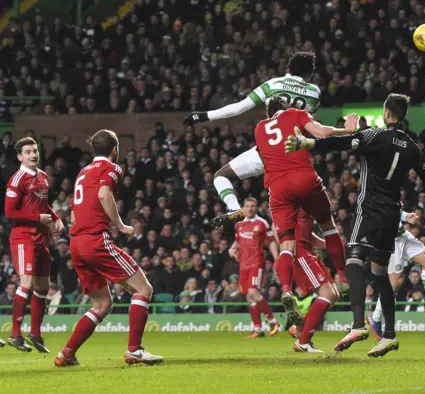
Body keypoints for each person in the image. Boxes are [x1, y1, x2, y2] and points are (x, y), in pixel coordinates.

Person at [285, 93, 425, 357]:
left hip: (369, 210)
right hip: (391, 215)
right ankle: (389, 335)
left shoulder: (374, 136)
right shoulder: (412, 147)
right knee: (379, 273)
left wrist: (306, 142)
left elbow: (343, 142)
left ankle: (356, 326)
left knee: (353, 262)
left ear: (387, 113)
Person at [54, 129, 163, 367]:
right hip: (95, 240)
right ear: (115, 149)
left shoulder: (82, 173)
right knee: (143, 289)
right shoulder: (112, 168)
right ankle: (134, 350)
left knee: (102, 305)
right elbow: (104, 193)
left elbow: (74, 210)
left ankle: (67, 353)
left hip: (76, 242)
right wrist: (121, 225)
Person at [184, 52, 322, 227]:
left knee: (221, 176)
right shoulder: (314, 93)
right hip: (296, 157)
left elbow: (238, 109)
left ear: (289, 68)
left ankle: (234, 208)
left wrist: (204, 115)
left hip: (268, 152)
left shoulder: (272, 84)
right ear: (310, 73)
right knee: (299, 217)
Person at [254, 96, 355, 328]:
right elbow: (320, 132)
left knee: (286, 245)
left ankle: (287, 291)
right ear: (287, 107)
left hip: (277, 188)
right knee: (329, 225)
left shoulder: (259, 128)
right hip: (303, 177)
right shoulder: (294, 114)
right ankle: (343, 276)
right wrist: (346, 130)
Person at [4, 137, 65, 353]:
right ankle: (15, 334)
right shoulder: (17, 180)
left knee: (43, 287)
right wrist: (38, 218)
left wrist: (55, 217)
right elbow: (10, 212)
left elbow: (43, 204)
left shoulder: (43, 176)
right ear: (20, 157)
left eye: (35, 151)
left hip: (41, 239)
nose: (33, 155)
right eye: (28, 152)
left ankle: (36, 334)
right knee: (26, 284)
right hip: (23, 238)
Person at [367, 210, 425, 341]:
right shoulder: (374, 192)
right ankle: (375, 317)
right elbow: (379, 210)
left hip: (402, 235)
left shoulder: (392, 192)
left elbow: (393, 207)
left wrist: (405, 215)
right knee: (395, 283)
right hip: (390, 240)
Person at [287, 210, 340, 353]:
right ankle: (303, 342)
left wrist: (325, 244)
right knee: (327, 294)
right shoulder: (291, 201)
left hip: (308, 252)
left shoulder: (305, 202)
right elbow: (276, 227)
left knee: (334, 295)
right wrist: (284, 255)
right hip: (300, 253)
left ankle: (300, 329)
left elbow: (306, 232)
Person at [228, 197, 280, 338]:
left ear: (256, 208)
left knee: (253, 293)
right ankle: (258, 329)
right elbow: (238, 242)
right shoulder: (239, 225)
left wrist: (276, 259)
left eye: (253, 205)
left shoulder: (262, 223)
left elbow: (271, 242)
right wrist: (232, 249)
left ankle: (273, 321)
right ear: (243, 208)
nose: (250, 208)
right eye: (248, 206)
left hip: (256, 263)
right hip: (243, 264)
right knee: (249, 298)